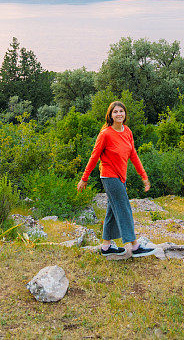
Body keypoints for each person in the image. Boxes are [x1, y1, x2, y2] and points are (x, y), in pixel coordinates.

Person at [76, 101, 155, 259]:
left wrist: (144, 176)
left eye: (121, 111)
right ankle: (134, 246)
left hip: (121, 176)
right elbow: (94, 157)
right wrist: (84, 178)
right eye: (115, 112)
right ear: (110, 115)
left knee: (112, 211)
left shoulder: (128, 132)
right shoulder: (105, 134)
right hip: (109, 176)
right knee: (124, 208)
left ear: (125, 114)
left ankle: (106, 247)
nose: (119, 114)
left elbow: (133, 155)